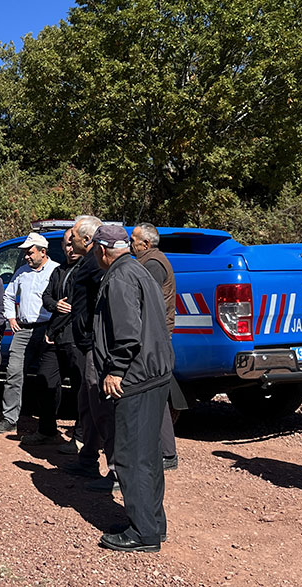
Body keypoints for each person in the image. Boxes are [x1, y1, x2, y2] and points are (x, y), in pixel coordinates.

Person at [89, 225, 174, 553]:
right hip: (155, 373)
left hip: (135, 377)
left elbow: (127, 333)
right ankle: (153, 523)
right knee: (149, 455)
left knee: (131, 457)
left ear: (101, 250)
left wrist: (116, 371)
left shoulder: (120, 277)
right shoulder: (139, 269)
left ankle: (142, 533)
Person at [61, 217, 119, 492]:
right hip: (86, 343)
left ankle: (118, 471)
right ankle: (87, 459)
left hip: (95, 345)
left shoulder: (99, 264)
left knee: (102, 406)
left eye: (72, 236)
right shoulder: (86, 263)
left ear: (87, 239)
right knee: (87, 404)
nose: (68, 240)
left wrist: (91, 337)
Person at [131, 223, 184, 470]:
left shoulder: (152, 265)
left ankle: (166, 454)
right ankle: (162, 451)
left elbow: (143, 301)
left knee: (154, 393)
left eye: (134, 240)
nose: (131, 244)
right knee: (154, 395)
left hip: (153, 339)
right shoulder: (151, 260)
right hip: (154, 337)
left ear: (146, 244)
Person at [0, 232, 59, 438]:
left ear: (43, 252)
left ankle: (45, 425)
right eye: (25, 253)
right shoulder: (22, 272)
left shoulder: (55, 270)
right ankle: (10, 419)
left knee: (46, 377)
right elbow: (8, 295)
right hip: (23, 329)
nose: (26, 256)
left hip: (45, 329)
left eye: (30, 252)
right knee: (14, 373)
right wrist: (11, 318)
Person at [38, 228, 82, 449]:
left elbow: (76, 307)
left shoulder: (85, 270)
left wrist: (52, 329)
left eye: (73, 243)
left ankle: (81, 437)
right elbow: (46, 296)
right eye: (66, 244)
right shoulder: (59, 270)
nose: (70, 248)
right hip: (55, 336)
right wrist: (55, 304)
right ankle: (46, 430)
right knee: (47, 380)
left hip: (75, 336)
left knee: (80, 387)